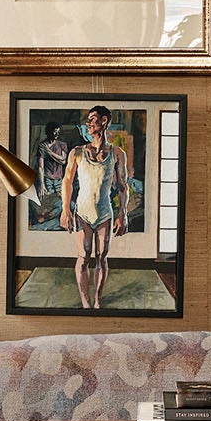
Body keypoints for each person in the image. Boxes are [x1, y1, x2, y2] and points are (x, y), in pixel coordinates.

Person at [57, 104, 131, 310]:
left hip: (105, 213)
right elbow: (67, 181)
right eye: (88, 120)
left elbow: (123, 186)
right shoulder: (78, 152)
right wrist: (65, 209)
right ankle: (85, 300)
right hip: (82, 212)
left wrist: (122, 214)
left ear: (104, 122)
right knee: (84, 256)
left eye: (93, 119)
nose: (89, 123)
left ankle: (97, 298)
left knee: (101, 256)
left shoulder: (117, 153)